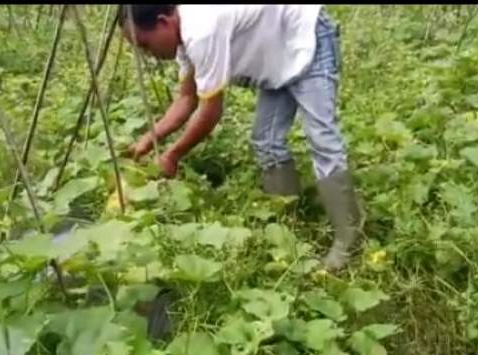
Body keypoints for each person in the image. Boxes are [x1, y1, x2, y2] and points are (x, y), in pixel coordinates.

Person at [117, 4, 365, 271]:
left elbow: (210, 111)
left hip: (307, 37)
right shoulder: (185, 39)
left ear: (164, 22)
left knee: (322, 138)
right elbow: (187, 98)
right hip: (277, 53)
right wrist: (150, 138)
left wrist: (172, 155)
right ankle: (287, 222)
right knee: (266, 141)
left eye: (144, 44)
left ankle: (348, 238)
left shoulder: (201, 30)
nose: (147, 54)